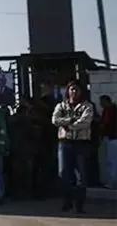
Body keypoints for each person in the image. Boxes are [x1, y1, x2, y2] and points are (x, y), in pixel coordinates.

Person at [52, 80, 95, 213]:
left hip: (81, 143)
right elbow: (55, 120)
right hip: (65, 143)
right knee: (64, 173)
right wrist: (70, 120)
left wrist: (68, 125)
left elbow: (85, 122)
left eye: (76, 89)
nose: (74, 92)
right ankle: (67, 202)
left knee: (81, 176)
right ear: (68, 91)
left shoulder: (87, 106)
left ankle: (80, 205)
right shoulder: (61, 106)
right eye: (71, 89)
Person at [99, 95, 117, 189]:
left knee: (112, 161)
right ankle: (111, 181)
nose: (101, 104)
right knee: (111, 161)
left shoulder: (111, 111)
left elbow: (106, 124)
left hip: (113, 137)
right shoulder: (108, 110)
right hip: (110, 137)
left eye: (102, 102)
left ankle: (113, 182)